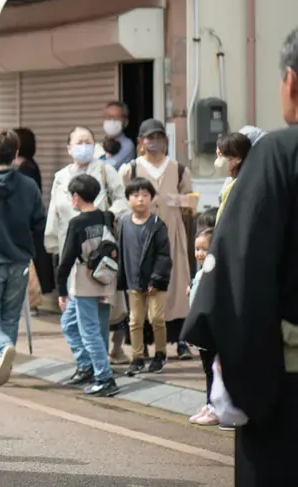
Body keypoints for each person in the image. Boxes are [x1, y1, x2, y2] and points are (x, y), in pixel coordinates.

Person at [183, 28, 298, 486]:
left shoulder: (279, 155)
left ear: (291, 82)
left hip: (289, 391)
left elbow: (238, 277)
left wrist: (248, 390)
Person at [119, 118, 197, 360]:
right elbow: (123, 199)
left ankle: (181, 339)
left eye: (159, 137)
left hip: (171, 233)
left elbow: (191, 201)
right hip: (140, 234)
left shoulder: (179, 169)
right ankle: (144, 343)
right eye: (149, 138)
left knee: (176, 284)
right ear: (140, 141)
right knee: (142, 284)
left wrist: (169, 200)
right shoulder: (130, 169)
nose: (154, 142)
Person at [0, 129, 46, 386]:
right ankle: (0, 360)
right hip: (19, 261)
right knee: (9, 316)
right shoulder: (28, 185)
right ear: (17, 154)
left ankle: (1, 347)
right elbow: (39, 223)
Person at [44, 127, 128, 310]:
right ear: (69, 148)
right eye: (79, 143)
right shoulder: (60, 177)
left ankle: (95, 337)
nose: (84, 146)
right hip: (69, 248)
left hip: (97, 251)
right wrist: (52, 243)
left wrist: (110, 214)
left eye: (88, 142)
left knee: (95, 309)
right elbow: (54, 211)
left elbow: (122, 199)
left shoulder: (106, 171)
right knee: (72, 311)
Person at [56, 174, 120, 397]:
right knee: (75, 324)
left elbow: (65, 260)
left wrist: (61, 291)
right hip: (106, 278)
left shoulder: (77, 223)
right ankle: (87, 366)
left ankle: (105, 378)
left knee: (89, 331)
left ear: (75, 198)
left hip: (84, 281)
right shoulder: (106, 216)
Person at [117, 177, 173, 376]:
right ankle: (137, 357)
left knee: (156, 318)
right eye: (135, 195)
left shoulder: (158, 225)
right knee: (135, 320)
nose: (140, 199)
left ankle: (160, 354)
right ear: (128, 199)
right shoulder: (123, 221)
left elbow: (164, 255)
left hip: (154, 282)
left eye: (145, 195)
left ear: (151, 198)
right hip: (133, 280)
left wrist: (157, 279)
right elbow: (122, 251)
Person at [188, 228, 219, 426]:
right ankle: (209, 404)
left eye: (204, 249)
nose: (199, 253)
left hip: (210, 330)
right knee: (208, 370)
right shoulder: (202, 272)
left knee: (214, 371)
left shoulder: (213, 272)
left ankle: (216, 407)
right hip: (202, 329)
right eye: (197, 249)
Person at [214, 131, 252, 223]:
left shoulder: (237, 186)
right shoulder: (243, 181)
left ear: (238, 158)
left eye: (220, 155)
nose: (217, 160)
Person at [100, 101, 136, 170]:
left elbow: (110, 166)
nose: (112, 120)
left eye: (116, 117)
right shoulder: (101, 143)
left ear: (125, 122)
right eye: (108, 117)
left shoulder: (127, 145)